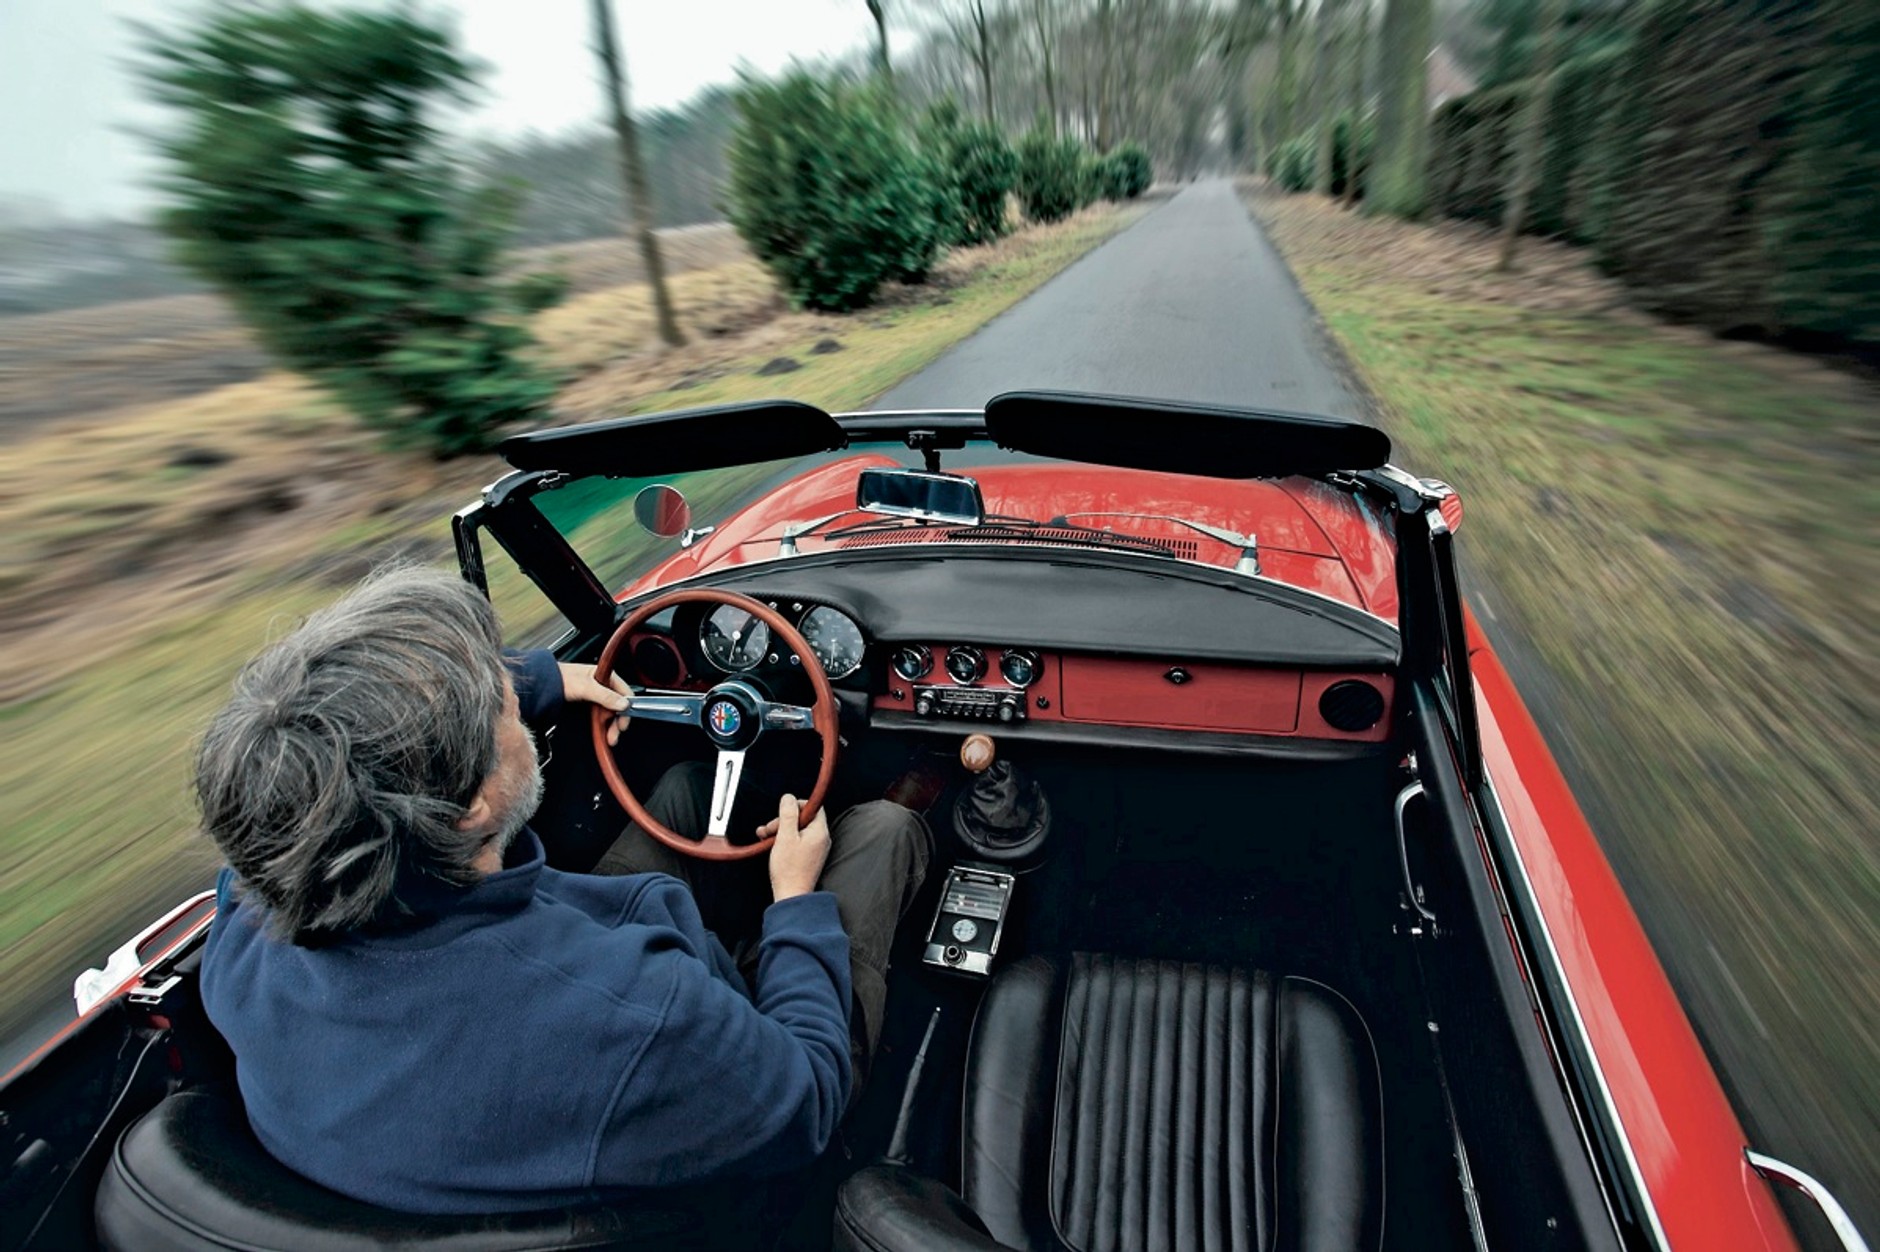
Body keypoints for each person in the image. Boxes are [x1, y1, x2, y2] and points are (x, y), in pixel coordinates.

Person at [194, 564, 929, 1215]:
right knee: (883, 834)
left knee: (683, 786)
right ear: (467, 810)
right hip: (726, 1088)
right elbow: (806, 1095)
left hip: (511, 1095)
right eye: (503, 703)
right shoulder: (646, 1012)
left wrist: (547, 682)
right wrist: (795, 907)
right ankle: (906, 811)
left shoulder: (251, 923)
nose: (516, 698)